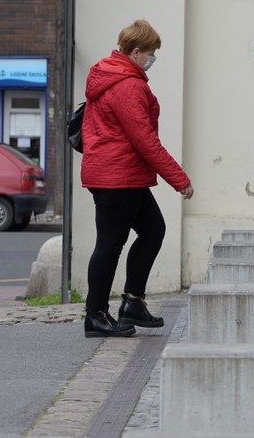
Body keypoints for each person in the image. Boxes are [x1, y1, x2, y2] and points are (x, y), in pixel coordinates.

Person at [81, 19, 194, 337]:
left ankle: (132, 302)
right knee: (110, 245)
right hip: (116, 176)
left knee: (153, 230)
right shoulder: (127, 85)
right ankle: (95, 315)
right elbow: (145, 140)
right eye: (151, 52)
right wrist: (179, 179)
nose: (153, 58)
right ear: (135, 51)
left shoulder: (113, 75)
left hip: (123, 174)